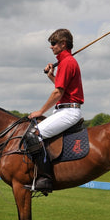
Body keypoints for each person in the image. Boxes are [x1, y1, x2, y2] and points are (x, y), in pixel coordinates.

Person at [24, 29, 84, 193]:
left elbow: (58, 92)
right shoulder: (67, 62)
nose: (51, 47)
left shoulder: (67, 62)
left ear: (63, 44)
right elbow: (62, 85)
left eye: (53, 43)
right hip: (63, 110)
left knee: (34, 135)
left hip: (69, 111)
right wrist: (51, 75)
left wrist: (40, 111)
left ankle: (45, 178)